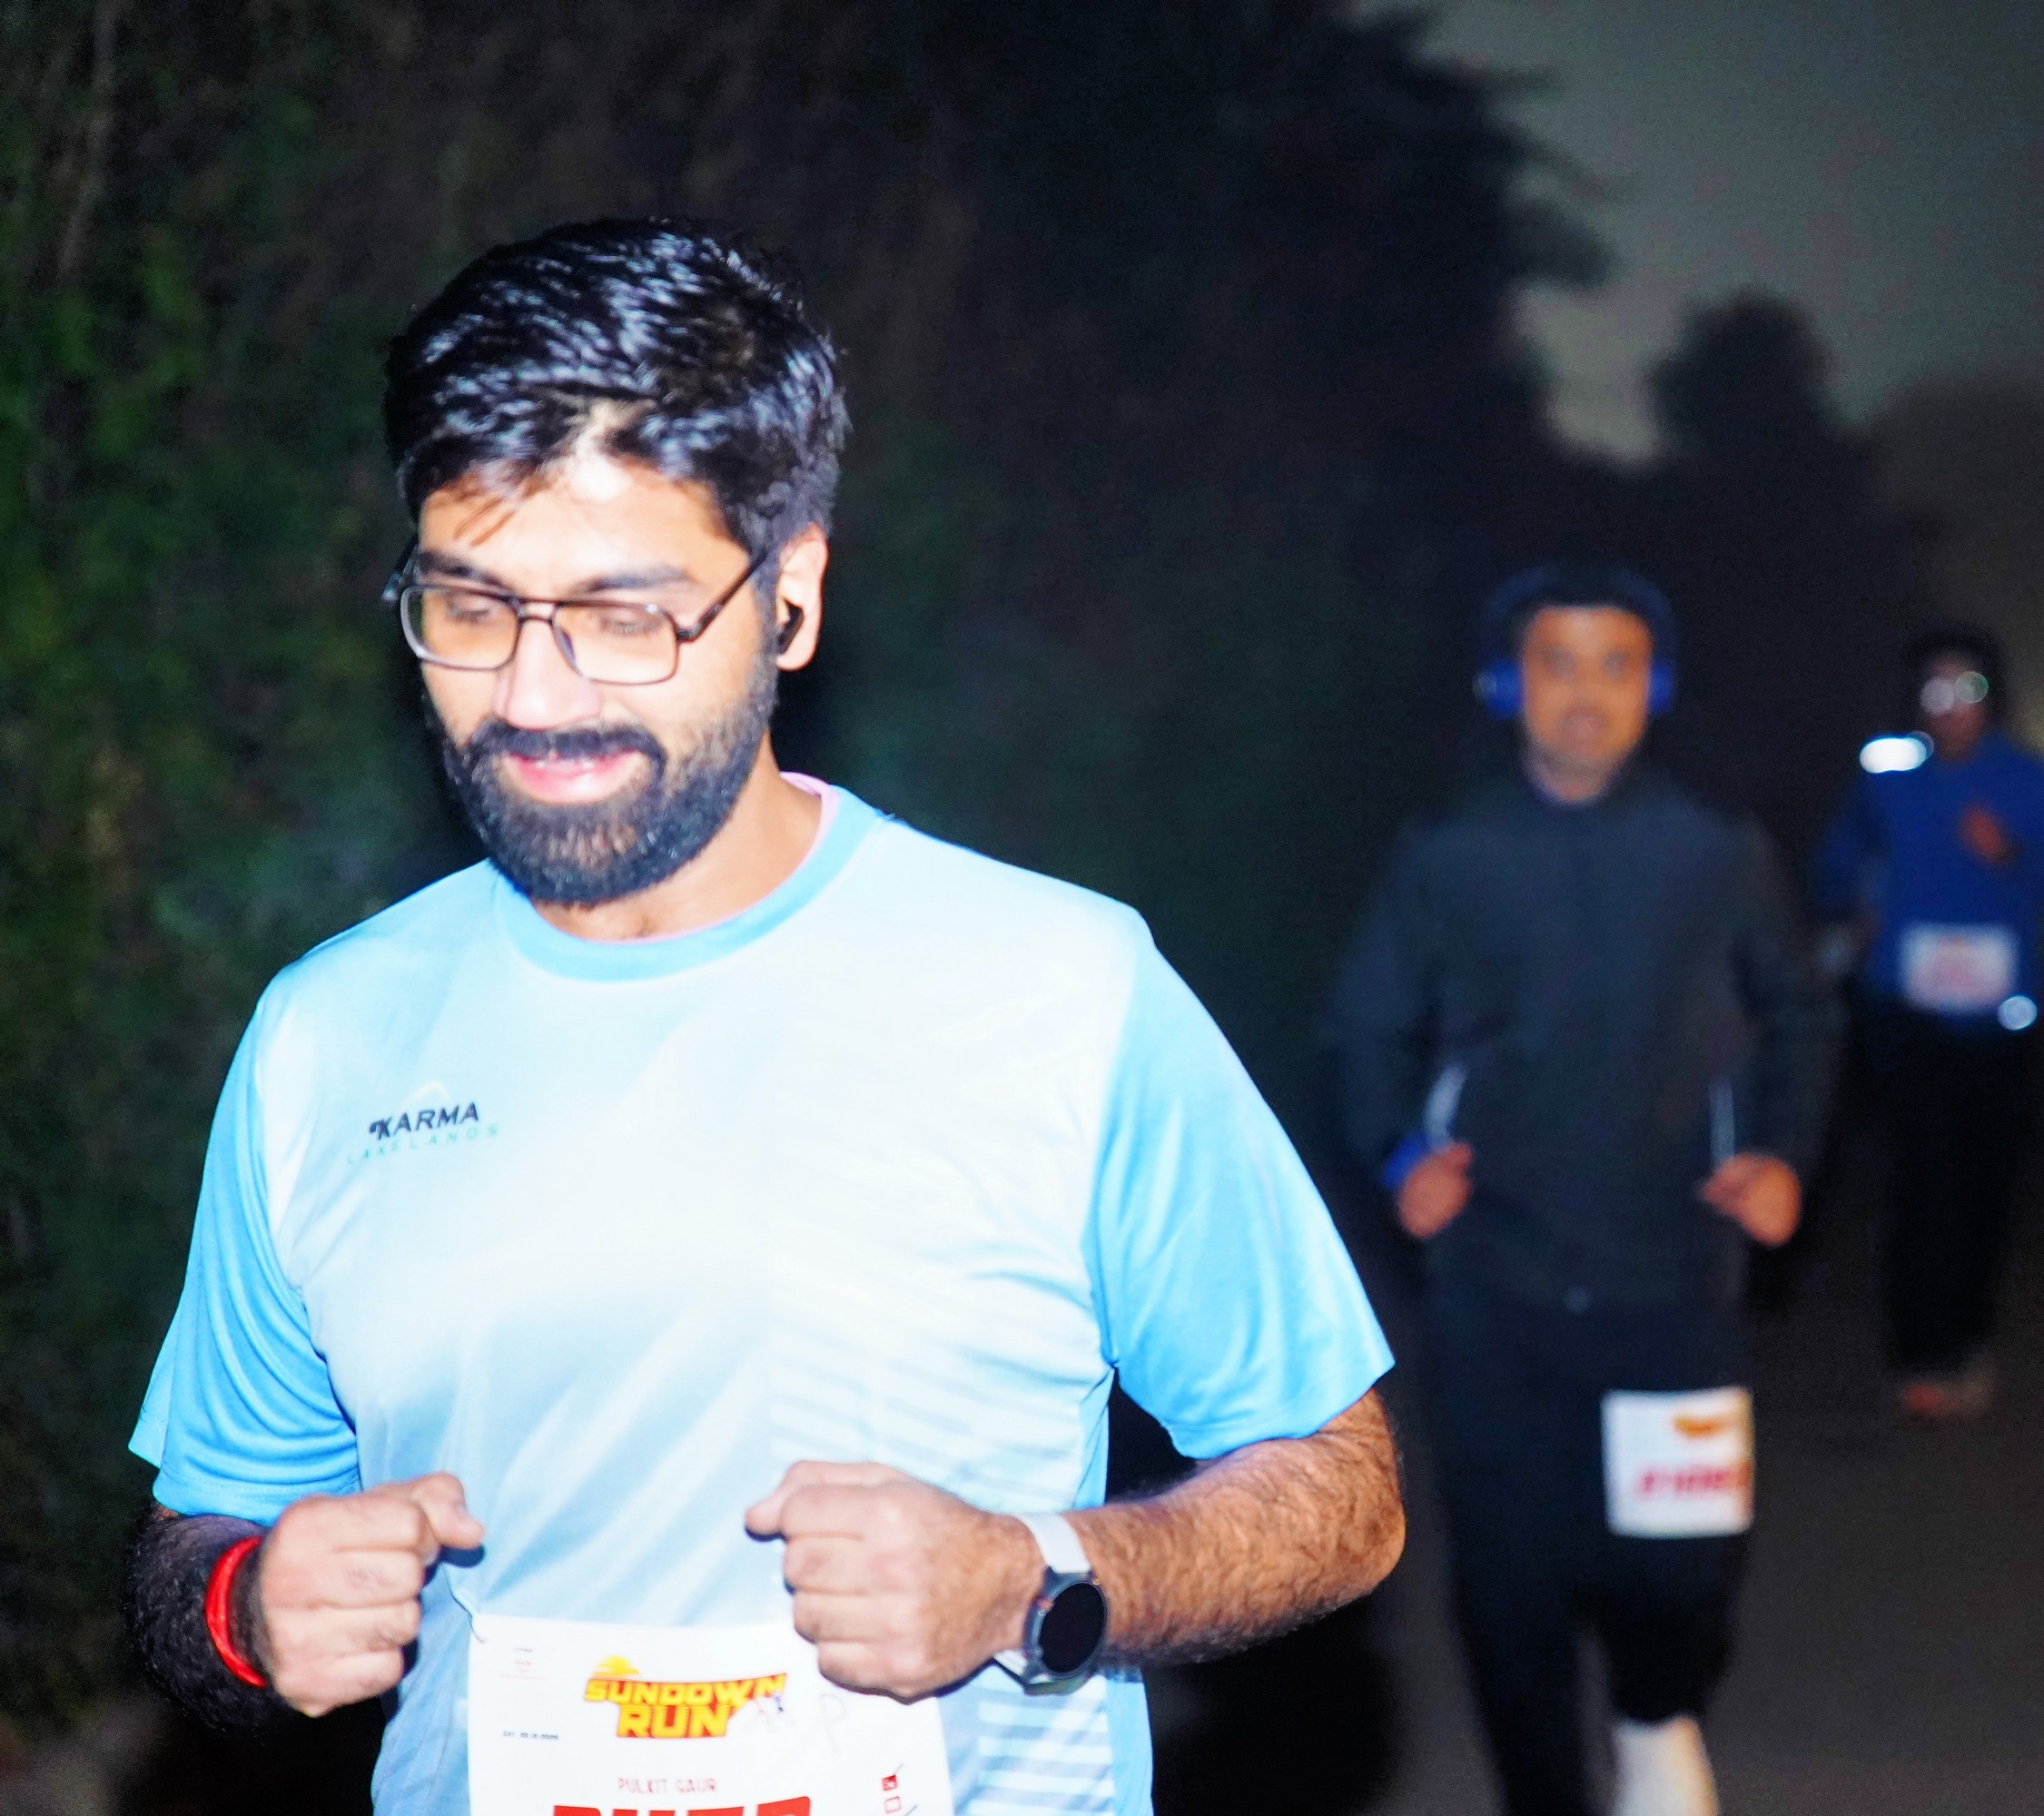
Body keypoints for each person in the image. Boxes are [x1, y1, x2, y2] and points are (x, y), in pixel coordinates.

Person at [120, 219, 1401, 1816]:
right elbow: (198, 1543)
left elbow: (1343, 1490)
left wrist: (1034, 1578)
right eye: (471, 607)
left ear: (789, 596)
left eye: (625, 615)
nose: (534, 697)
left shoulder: (1059, 989)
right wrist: (247, 1612)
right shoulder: (328, 1038)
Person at [1325, 565, 1829, 1816]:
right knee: (1511, 1589)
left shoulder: (1715, 850)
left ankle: (1655, 1718)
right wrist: (1399, 1157)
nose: (1586, 692)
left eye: (1616, 664)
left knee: (1686, 1568)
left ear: (1654, 687)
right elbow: (1363, 1028)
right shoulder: (1449, 855)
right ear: (1511, 684)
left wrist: (1782, 1155)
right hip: (1498, 1289)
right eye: (1557, 663)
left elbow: (1800, 1012)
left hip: (1675, 1282)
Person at [1813, 627, 2044, 1424]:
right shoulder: (1889, 778)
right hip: (1906, 1018)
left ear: (1991, 697)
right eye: (1934, 691)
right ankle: (1918, 1354)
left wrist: (2011, 856)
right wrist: (1853, 899)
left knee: (1983, 1188)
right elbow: (1831, 869)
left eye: (1966, 690)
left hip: (2000, 1026)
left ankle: (1969, 1340)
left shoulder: (2030, 779)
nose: (1949, 707)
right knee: (1920, 1182)